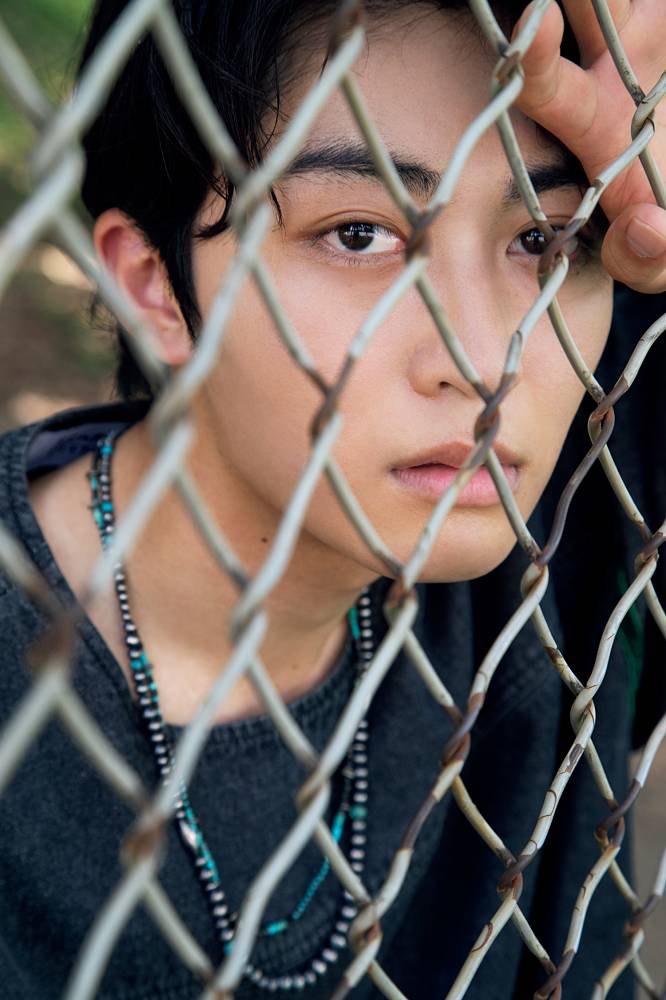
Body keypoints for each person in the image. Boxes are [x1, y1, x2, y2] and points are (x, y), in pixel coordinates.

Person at [0, 1, 664, 997]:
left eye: (546, 236)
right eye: (360, 234)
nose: (487, 361)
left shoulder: (578, 525)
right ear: (153, 283)